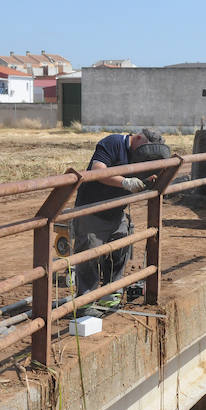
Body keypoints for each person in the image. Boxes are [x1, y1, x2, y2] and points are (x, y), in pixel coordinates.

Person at [72, 128, 167, 316]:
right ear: (138, 137)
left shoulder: (141, 155)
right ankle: (85, 302)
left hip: (117, 211)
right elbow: (97, 170)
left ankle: (111, 297)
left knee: (120, 250)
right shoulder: (113, 143)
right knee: (89, 256)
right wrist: (125, 182)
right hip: (92, 209)